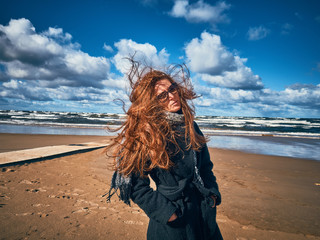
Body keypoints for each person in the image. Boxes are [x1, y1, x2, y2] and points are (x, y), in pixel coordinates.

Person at [105, 58, 222, 240]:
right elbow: (135, 184)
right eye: (162, 95)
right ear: (152, 102)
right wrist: (168, 214)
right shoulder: (147, 133)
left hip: (204, 215)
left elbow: (205, 166)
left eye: (172, 89)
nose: (171, 96)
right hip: (174, 222)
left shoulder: (191, 125)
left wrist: (213, 194)